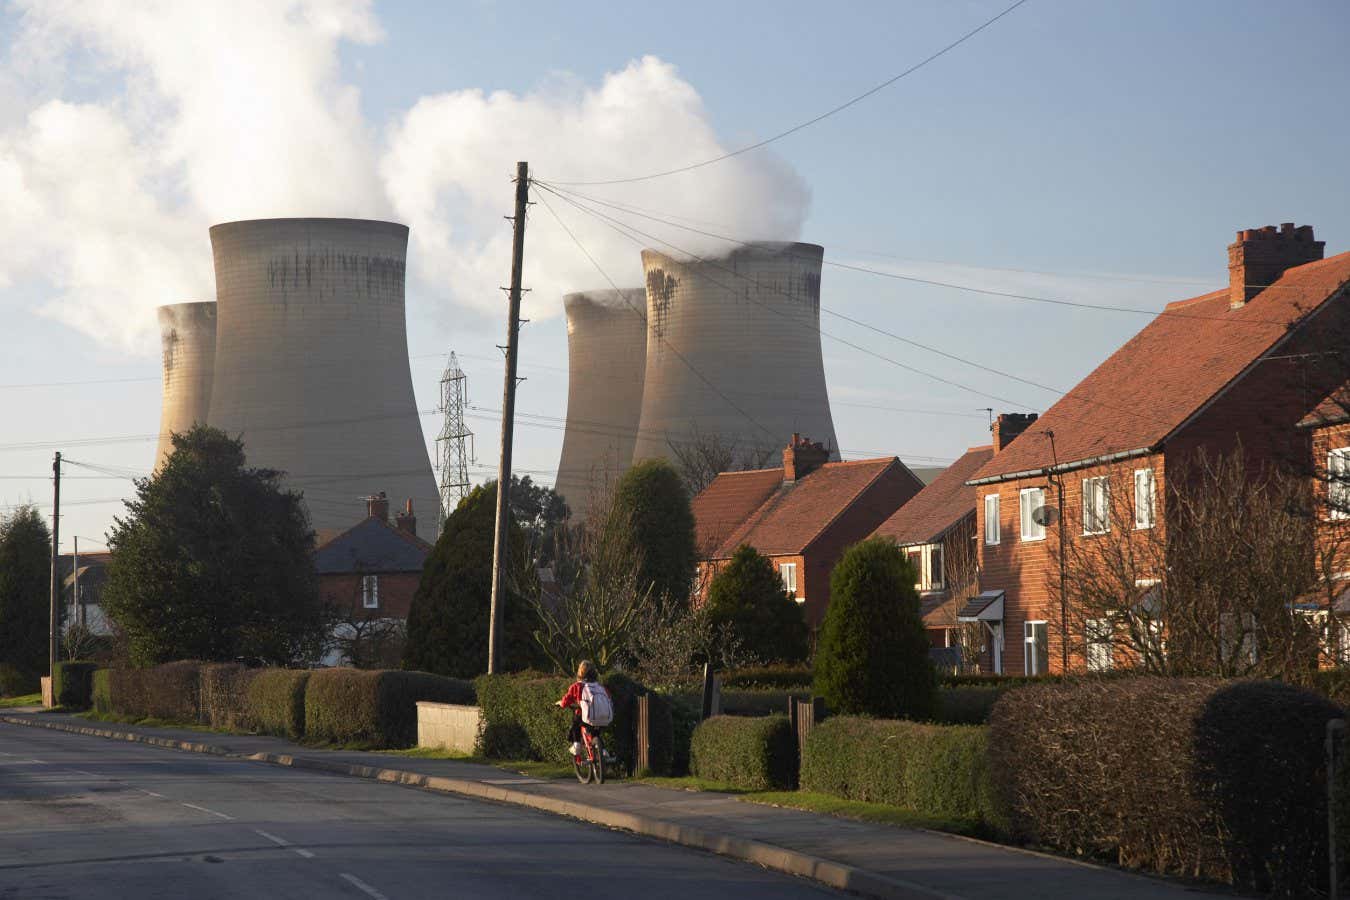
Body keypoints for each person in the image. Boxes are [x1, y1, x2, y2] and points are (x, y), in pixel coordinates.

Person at [556, 659, 609, 757]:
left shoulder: (577, 686)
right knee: (595, 733)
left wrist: (560, 703)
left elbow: (566, 701)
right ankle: (603, 751)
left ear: (580, 672)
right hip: (604, 717)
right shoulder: (600, 687)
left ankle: (576, 744)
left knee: (576, 722)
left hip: (586, 717)